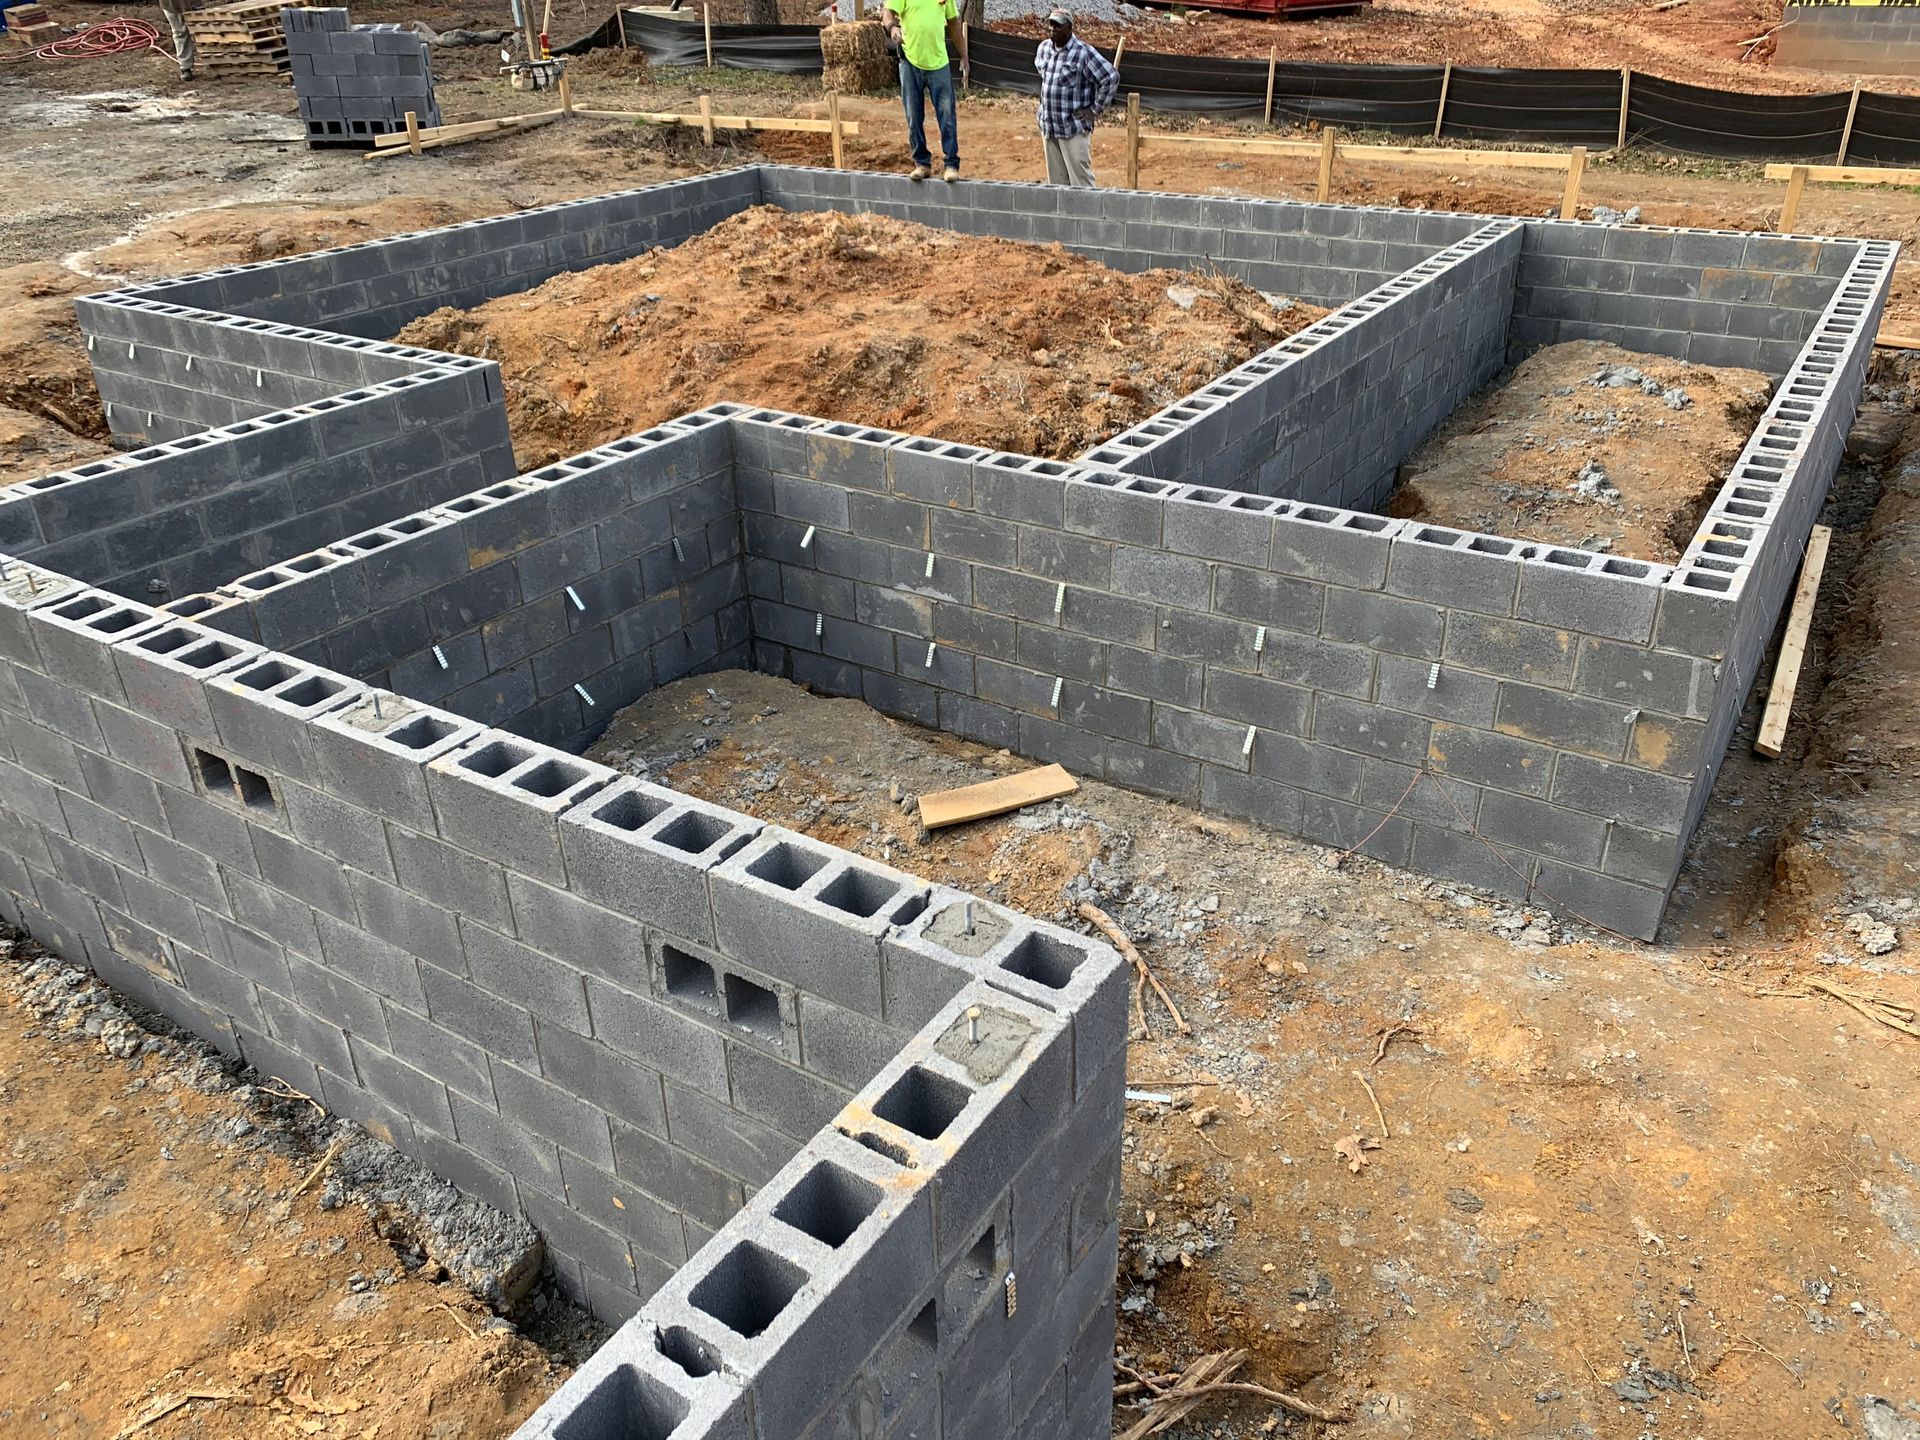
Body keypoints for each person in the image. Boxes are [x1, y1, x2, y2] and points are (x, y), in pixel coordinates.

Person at [1033, 8, 1117, 188]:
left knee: (1081, 183)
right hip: (1050, 126)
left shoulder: (1083, 53)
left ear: (1069, 27)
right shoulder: (1043, 49)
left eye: (1058, 25)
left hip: (1073, 128)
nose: (1053, 28)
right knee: (1056, 185)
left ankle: (1088, 208)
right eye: (1051, 24)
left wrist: (1094, 110)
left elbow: (1110, 77)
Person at [884, 0, 966, 182]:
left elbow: (953, 22)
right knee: (913, 116)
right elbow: (887, 13)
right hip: (910, 62)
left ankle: (951, 164)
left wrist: (964, 55)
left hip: (939, 64)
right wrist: (892, 28)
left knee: (947, 116)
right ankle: (922, 163)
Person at [156, 0, 196, 79]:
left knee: (202, 30)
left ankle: (213, 60)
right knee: (180, 32)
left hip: (191, 4)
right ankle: (185, 67)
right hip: (172, 5)